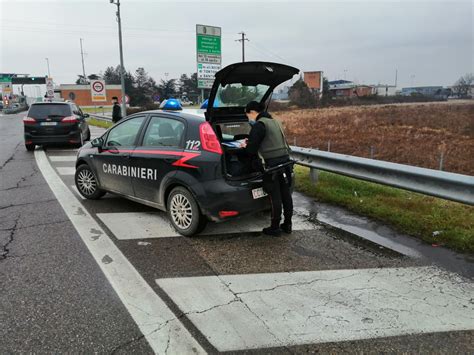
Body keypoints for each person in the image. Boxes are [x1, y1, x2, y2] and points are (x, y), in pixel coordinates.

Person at [241, 101, 293, 237]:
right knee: (286, 195)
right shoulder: (275, 122)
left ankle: (275, 228)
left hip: (272, 167)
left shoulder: (260, 125)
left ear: (252, 112)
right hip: (285, 163)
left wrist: (244, 146)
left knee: (275, 196)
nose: (248, 118)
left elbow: (251, 150)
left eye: (247, 115)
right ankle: (287, 225)